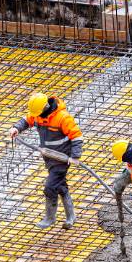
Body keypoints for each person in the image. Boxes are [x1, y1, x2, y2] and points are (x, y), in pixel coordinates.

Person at [9, 92, 83, 230]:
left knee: (50, 186)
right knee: (60, 186)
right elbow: (27, 120)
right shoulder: (38, 115)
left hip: (62, 158)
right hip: (49, 157)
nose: (36, 116)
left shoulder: (62, 118)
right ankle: (71, 217)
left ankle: (50, 218)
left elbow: (77, 136)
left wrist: (75, 156)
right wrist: (16, 128)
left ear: (46, 107)